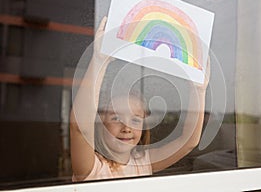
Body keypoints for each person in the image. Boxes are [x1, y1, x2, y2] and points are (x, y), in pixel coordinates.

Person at [70, 16, 209, 181]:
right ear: (100, 124)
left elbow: (189, 143)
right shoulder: (92, 169)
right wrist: (100, 60)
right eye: (116, 118)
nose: (126, 127)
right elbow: (80, 128)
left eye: (135, 120)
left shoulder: (142, 163)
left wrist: (199, 90)